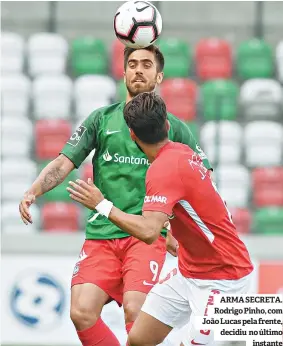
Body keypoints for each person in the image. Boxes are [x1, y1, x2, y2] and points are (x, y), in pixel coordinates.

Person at [19, 45, 212, 346]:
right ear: (122, 73)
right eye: (132, 64)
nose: (138, 69)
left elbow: (202, 180)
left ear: (159, 76)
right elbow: (63, 162)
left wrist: (182, 231)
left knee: (137, 313)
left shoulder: (175, 128)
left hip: (146, 235)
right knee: (81, 312)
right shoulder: (101, 119)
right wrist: (34, 190)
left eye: (146, 65)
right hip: (101, 234)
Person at [67, 92, 254, 346]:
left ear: (132, 136)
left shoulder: (162, 169)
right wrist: (176, 229)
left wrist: (101, 204)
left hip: (224, 279)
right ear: (167, 125)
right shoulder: (183, 152)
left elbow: (148, 232)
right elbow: (199, 201)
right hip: (189, 271)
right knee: (138, 340)